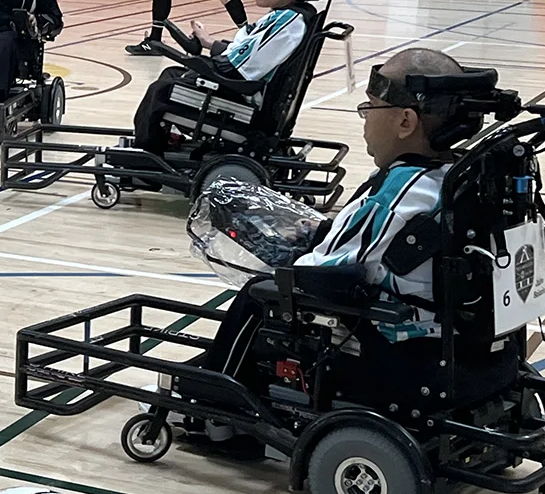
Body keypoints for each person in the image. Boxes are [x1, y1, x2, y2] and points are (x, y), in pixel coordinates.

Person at [201, 47, 470, 409]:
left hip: (399, 342)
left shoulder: (397, 195)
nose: (364, 120)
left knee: (259, 292)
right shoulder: (459, 177)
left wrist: (289, 258)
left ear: (406, 122)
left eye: (369, 108)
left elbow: (319, 271)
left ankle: (215, 400)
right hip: (458, 334)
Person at [131, 0, 312, 154]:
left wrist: (200, 64)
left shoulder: (287, 22)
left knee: (162, 90)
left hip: (248, 106)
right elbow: (246, 51)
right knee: (172, 74)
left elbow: (234, 69)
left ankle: (147, 157)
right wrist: (210, 43)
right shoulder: (288, 15)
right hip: (248, 93)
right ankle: (160, 143)